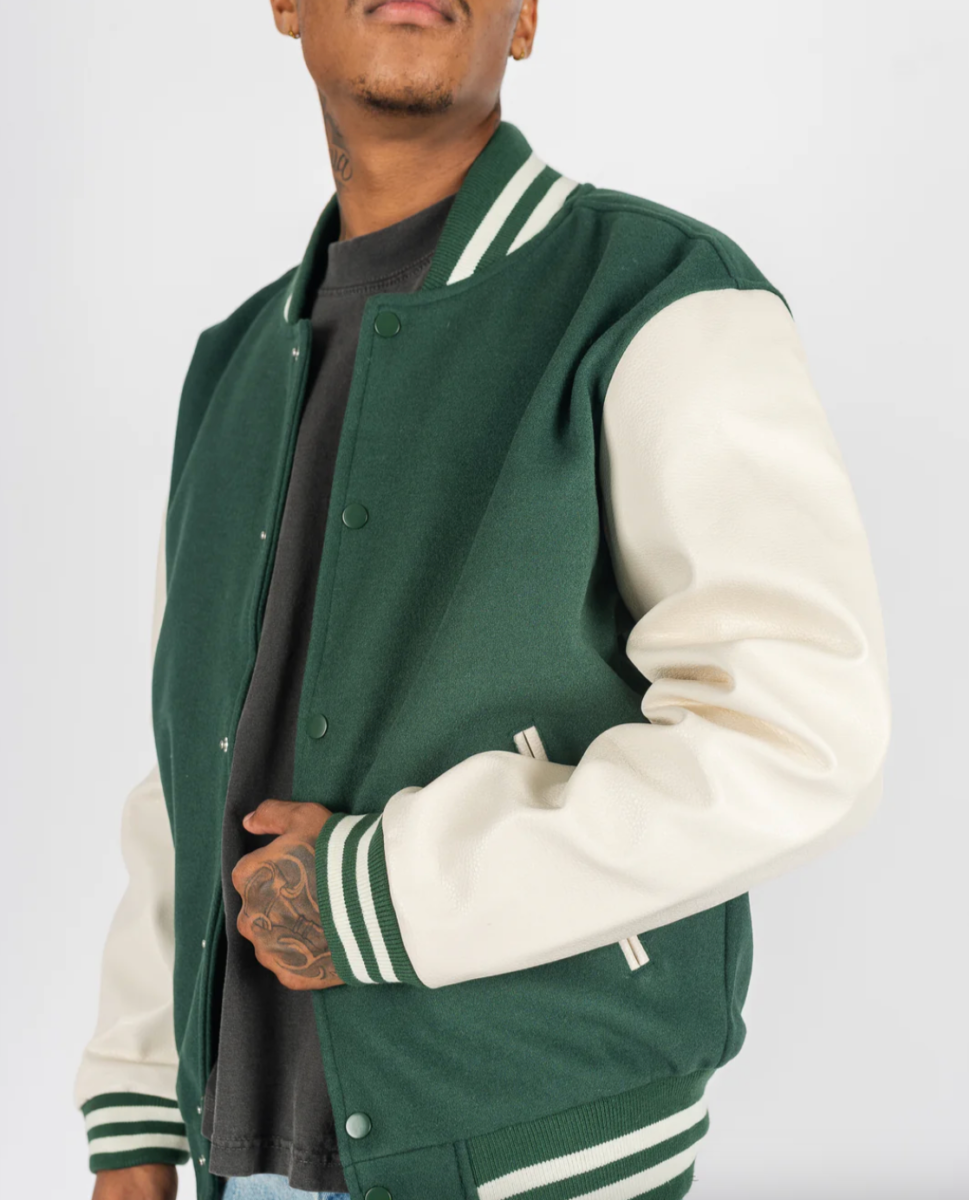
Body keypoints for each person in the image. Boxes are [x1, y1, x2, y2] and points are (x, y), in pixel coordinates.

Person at [74, 2, 892, 1199]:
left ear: (526, 20)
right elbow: (188, 766)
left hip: (539, 1153)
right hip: (239, 1161)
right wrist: (139, 1103)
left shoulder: (660, 294)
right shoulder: (233, 364)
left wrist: (388, 893)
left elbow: (800, 737)